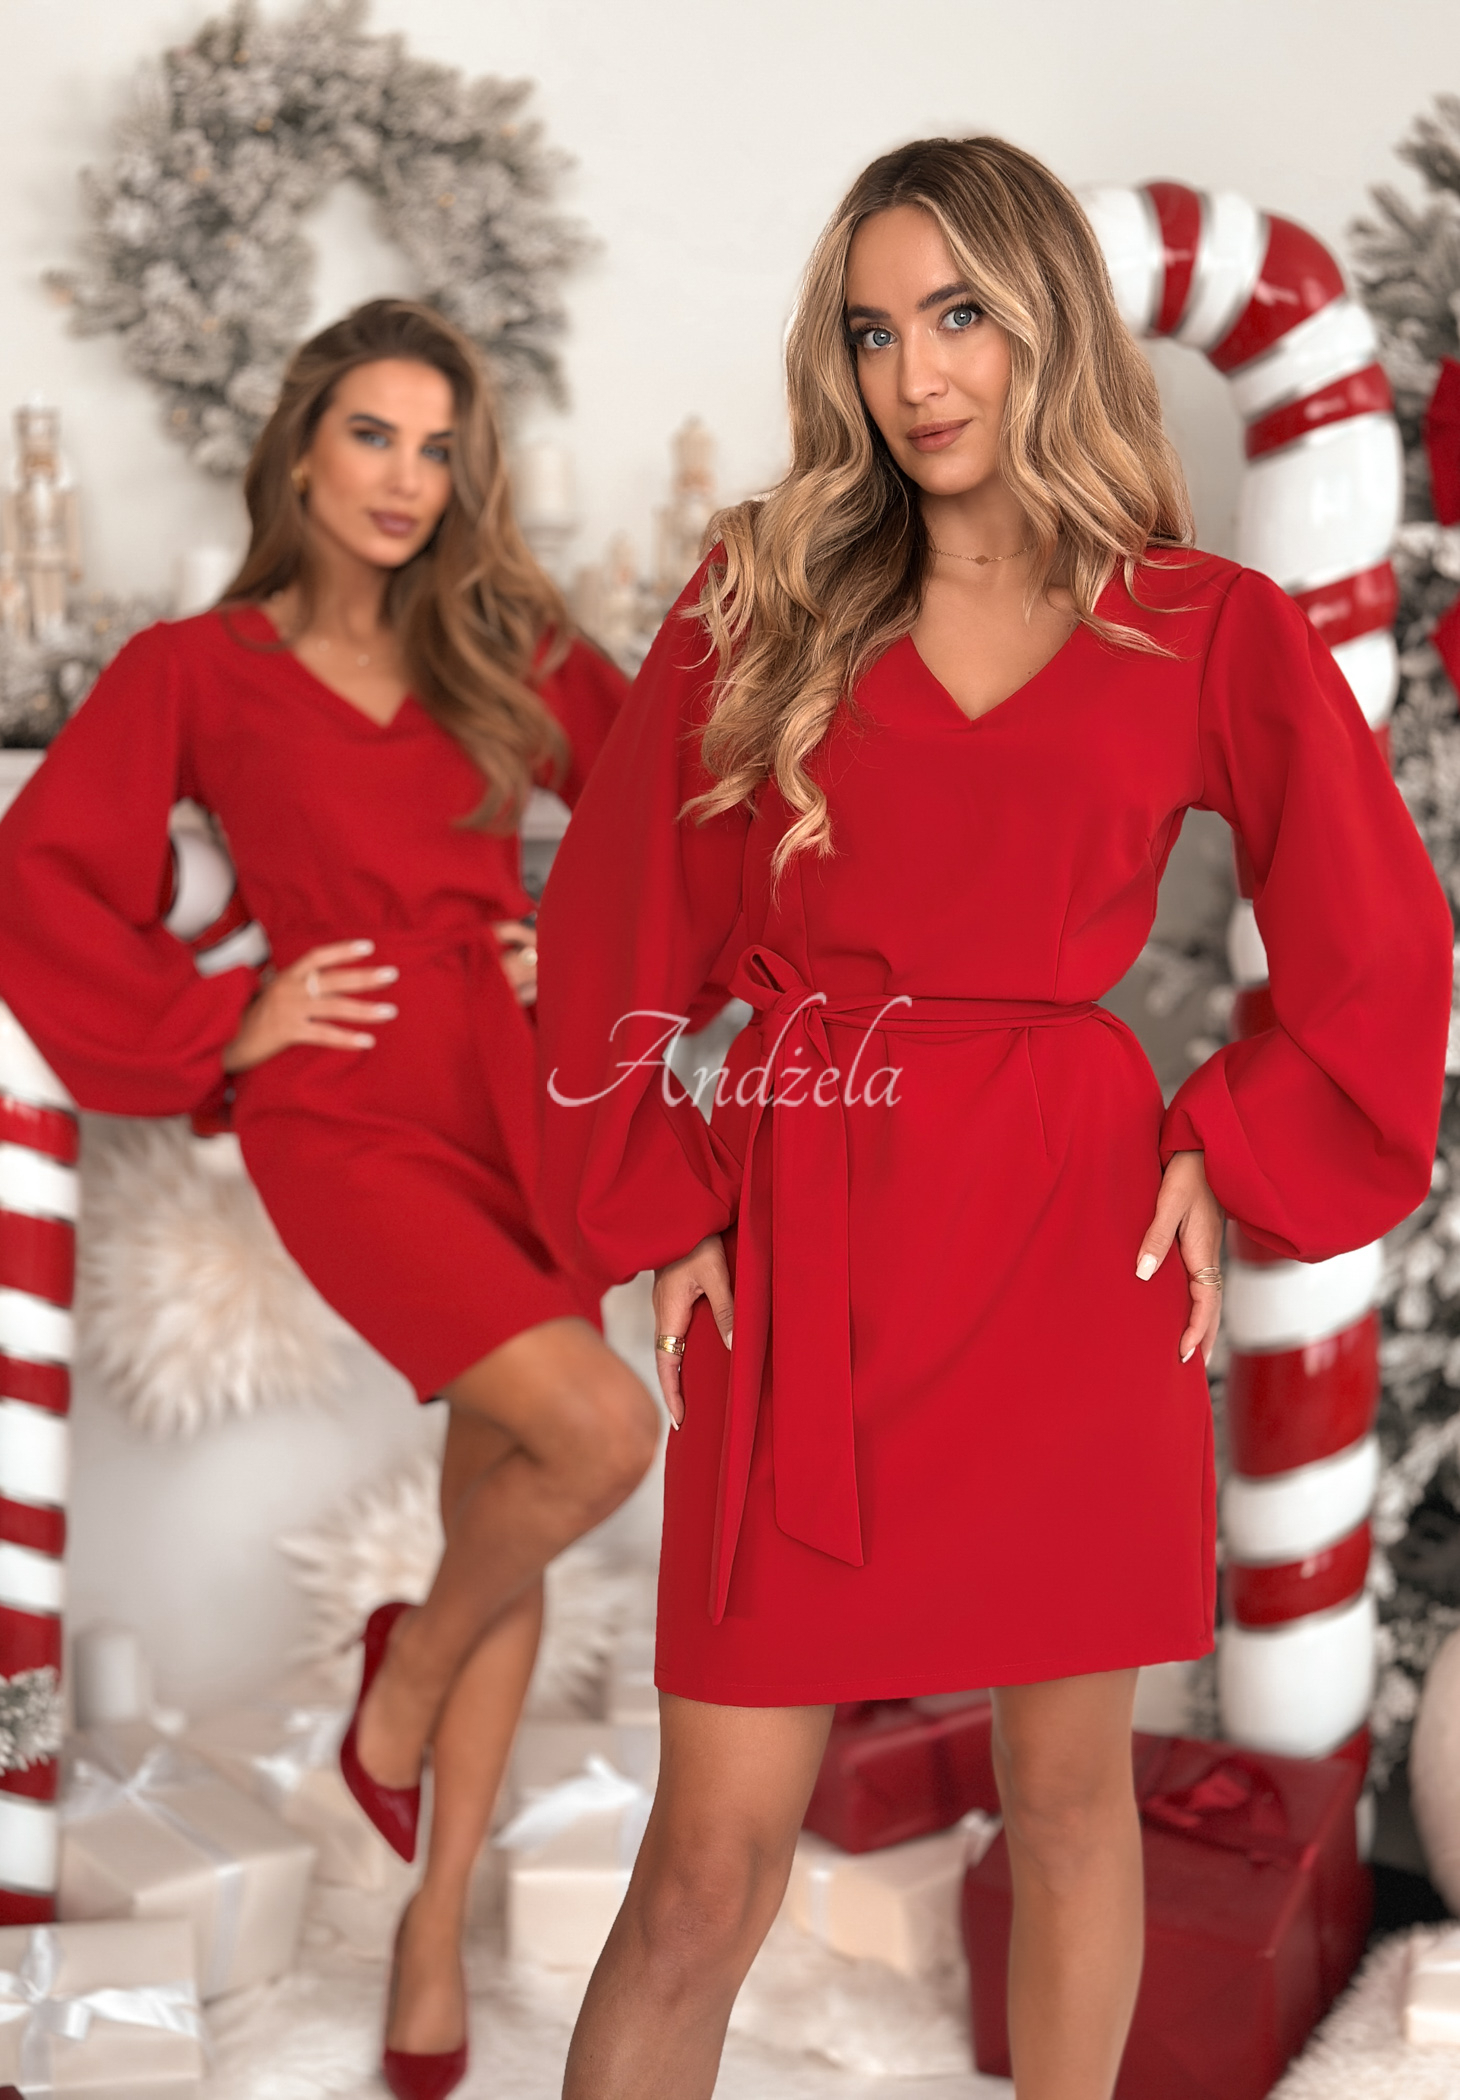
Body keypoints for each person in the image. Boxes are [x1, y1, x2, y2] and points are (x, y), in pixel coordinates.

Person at [532, 138, 1455, 2100]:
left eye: (956, 313)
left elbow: (1381, 944)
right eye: (874, 331)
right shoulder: (765, 589)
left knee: (1069, 1808)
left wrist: (1226, 1144)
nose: (915, 372)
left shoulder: (1200, 621)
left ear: (1048, 318)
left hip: (1065, 1248)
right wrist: (658, 1201)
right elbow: (611, 919)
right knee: (704, 1871)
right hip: (807, 1237)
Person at [0, 298, 658, 2100]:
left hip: (515, 1094)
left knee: (509, 1479)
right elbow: (40, 873)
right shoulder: (193, 671)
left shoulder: (506, 642)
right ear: (301, 451)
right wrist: (224, 1020)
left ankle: (431, 1922)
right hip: (343, 1108)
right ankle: (405, 1679)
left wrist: (578, 948)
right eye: (373, 434)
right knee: (600, 1432)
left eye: (438, 448)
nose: (404, 477)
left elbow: (684, 810)